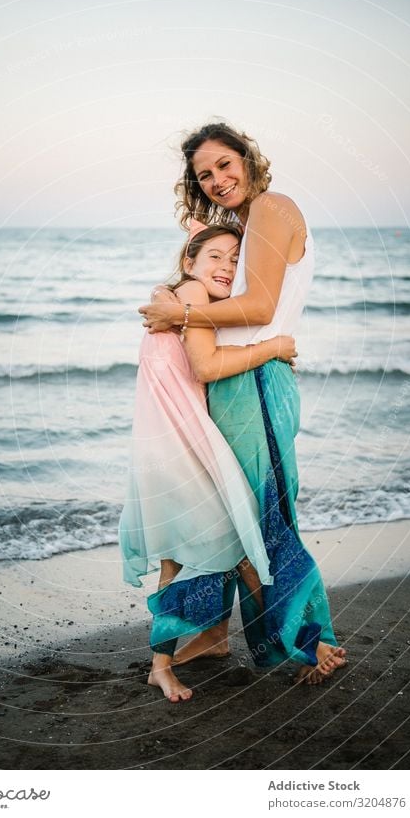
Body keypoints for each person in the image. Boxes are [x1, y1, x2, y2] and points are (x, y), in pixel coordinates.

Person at [138, 121, 346, 685]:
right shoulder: (242, 227)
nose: (216, 179)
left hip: (254, 384)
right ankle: (217, 637)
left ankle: (312, 640)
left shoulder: (274, 207)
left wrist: (180, 315)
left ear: (249, 159)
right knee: (235, 513)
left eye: (225, 165)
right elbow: (201, 272)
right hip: (235, 382)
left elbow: (258, 305)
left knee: (270, 512)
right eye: (204, 174)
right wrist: (173, 293)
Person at [119, 221, 298, 702]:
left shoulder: (186, 305)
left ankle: (180, 656)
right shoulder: (190, 297)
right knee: (239, 544)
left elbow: (213, 343)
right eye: (215, 255)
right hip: (179, 444)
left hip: (166, 443)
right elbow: (206, 364)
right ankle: (299, 645)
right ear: (189, 263)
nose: (228, 266)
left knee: (178, 556)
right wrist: (274, 348)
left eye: (236, 259)